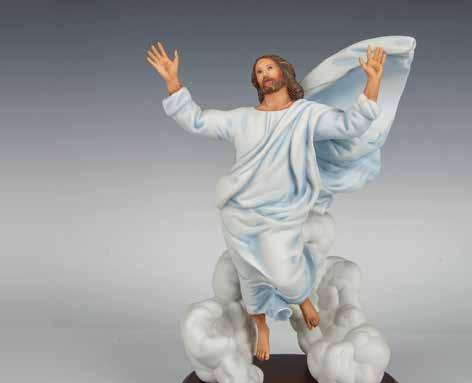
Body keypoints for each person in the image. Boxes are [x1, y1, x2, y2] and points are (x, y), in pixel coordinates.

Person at [147, 41, 386, 361]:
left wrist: (373, 82)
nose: (265, 74)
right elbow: (199, 121)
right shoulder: (243, 118)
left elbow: (349, 125)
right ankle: (261, 327)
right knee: (248, 273)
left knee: (284, 271)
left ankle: (302, 298)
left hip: (283, 212)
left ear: (285, 74)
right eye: (259, 71)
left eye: (269, 67)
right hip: (240, 211)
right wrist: (173, 82)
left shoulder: (305, 114)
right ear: (256, 82)